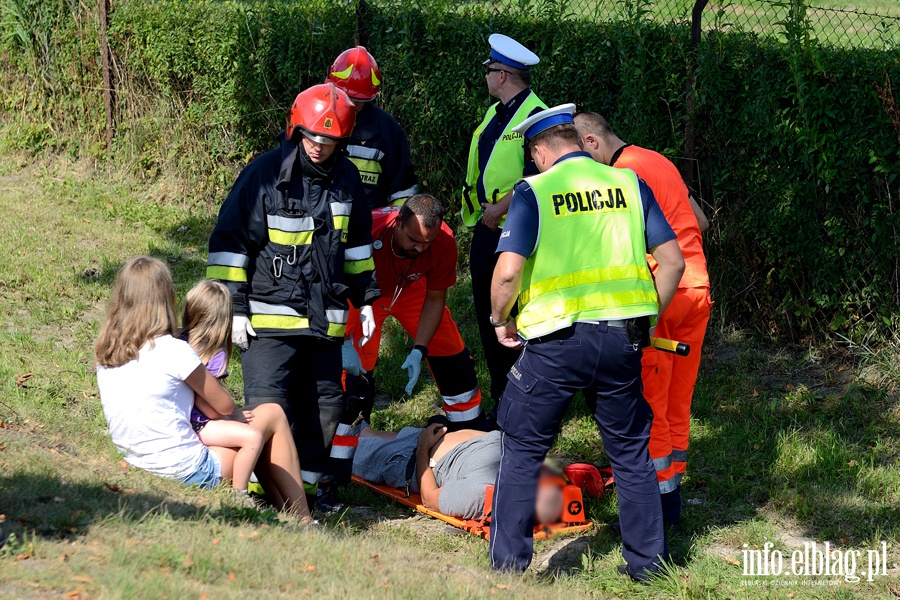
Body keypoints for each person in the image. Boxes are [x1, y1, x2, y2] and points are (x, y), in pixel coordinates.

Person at [487, 105, 685, 580]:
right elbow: (673, 261)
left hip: (556, 343)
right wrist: (646, 318)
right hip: (621, 341)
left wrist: (499, 318)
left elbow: (509, 271)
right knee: (631, 453)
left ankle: (508, 569)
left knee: (522, 448)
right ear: (576, 140)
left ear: (539, 151)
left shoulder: (534, 190)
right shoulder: (629, 184)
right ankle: (648, 567)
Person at [206, 83, 381, 512]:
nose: (319, 146)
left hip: (325, 322)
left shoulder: (348, 181)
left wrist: (369, 297)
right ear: (295, 129)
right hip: (268, 323)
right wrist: (235, 308)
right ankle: (264, 494)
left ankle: (299, 494)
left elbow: (357, 247)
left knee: (325, 407)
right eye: (312, 136)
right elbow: (230, 244)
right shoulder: (264, 174)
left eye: (329, 139)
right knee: (271, 406)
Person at [94, 257, 313, 523]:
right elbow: (223, 407)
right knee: (272, 415)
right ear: (166, 300)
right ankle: (303, 518)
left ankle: (286, 514)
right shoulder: (172, 350)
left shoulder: (107, 352)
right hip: (184, 469)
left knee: (258, 424)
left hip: (137, 459)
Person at [574, 111, 712, 529]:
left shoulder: (622, 176)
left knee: (650, 403)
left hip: (661, 292)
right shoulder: (658, 160)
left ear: (592, 143)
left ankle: (657, 511)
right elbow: (701, 221)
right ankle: (674, 493)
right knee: (677, 401)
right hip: (697, 288)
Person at [334, 194, 485, 452]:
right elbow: (338, 279)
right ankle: (347, 432)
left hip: (411, 288)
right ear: (398, 223)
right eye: (414, 240)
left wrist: (420, 348)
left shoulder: (444, 240)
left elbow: (436, 299)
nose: (420, 249)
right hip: (364, 293)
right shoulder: (370, 229)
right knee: (357, 360)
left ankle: (469, 428)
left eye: (427, 242)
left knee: (448, 347)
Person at [461, 34, 547, 405]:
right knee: (487, 308)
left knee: (513, 309)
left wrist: (499, 209)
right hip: (487, 226)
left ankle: (522, 394)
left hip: (514, 227)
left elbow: (538, 173)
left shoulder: (534, 115)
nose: (486, 77)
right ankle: (502, 392)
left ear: (502, 76)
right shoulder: (496, 112)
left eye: (490, 70)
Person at [348, 422, 563, 524]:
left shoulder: (480, 493)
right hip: (429, 441)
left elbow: (429, 498)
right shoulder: (529, 461)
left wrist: (423, 447)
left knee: (340, 450)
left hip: (409, 461)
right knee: (363, 431)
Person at [179, 279, 266, 498]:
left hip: (177, 420)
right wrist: (229, 417)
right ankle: (240, 493)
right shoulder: (215, 354)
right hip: (199, 425)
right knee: (253, 437)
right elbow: (206, 406)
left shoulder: (176, 340)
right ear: (223, 319)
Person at [327, 46, 419, 210]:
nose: (352, 104)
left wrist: (392, 227)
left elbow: (402, 191)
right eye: (347, 96)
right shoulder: (314, 117)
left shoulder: (388, 130)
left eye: (359, 99)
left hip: (370, 228)